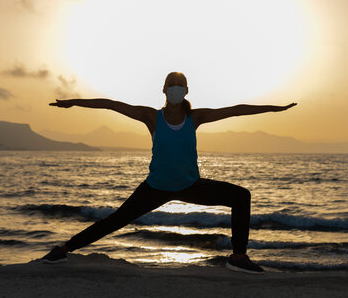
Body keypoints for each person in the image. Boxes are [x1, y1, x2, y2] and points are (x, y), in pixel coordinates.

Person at [40, 72, 296, 274]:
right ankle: (63, 249)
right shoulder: (151, 117)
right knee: (115, 221)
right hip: (156, 187)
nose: (176, 88)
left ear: (186, 90)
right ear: (164, 90)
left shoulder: (196, 117)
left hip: (190, 185)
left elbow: (236, 110)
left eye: (180, 84)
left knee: (241, 196)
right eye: (171, 84)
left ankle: (238, 257)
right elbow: (111, 104)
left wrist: (274, 109)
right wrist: (73, 102)